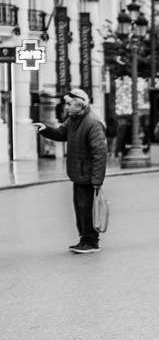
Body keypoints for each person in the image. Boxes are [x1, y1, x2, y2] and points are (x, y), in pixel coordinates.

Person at [34, 88, 107, 254]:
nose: (66, 107)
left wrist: (97, 180)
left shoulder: (92, 122)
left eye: (68, 104)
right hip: (78, 173)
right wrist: (45, 129)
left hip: (87, 175)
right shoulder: (74, 119)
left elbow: (100, 153)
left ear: (79, 105)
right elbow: (61, 133)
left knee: (87, 208)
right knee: (80, 208)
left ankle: (91, 241)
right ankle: (84, 239)